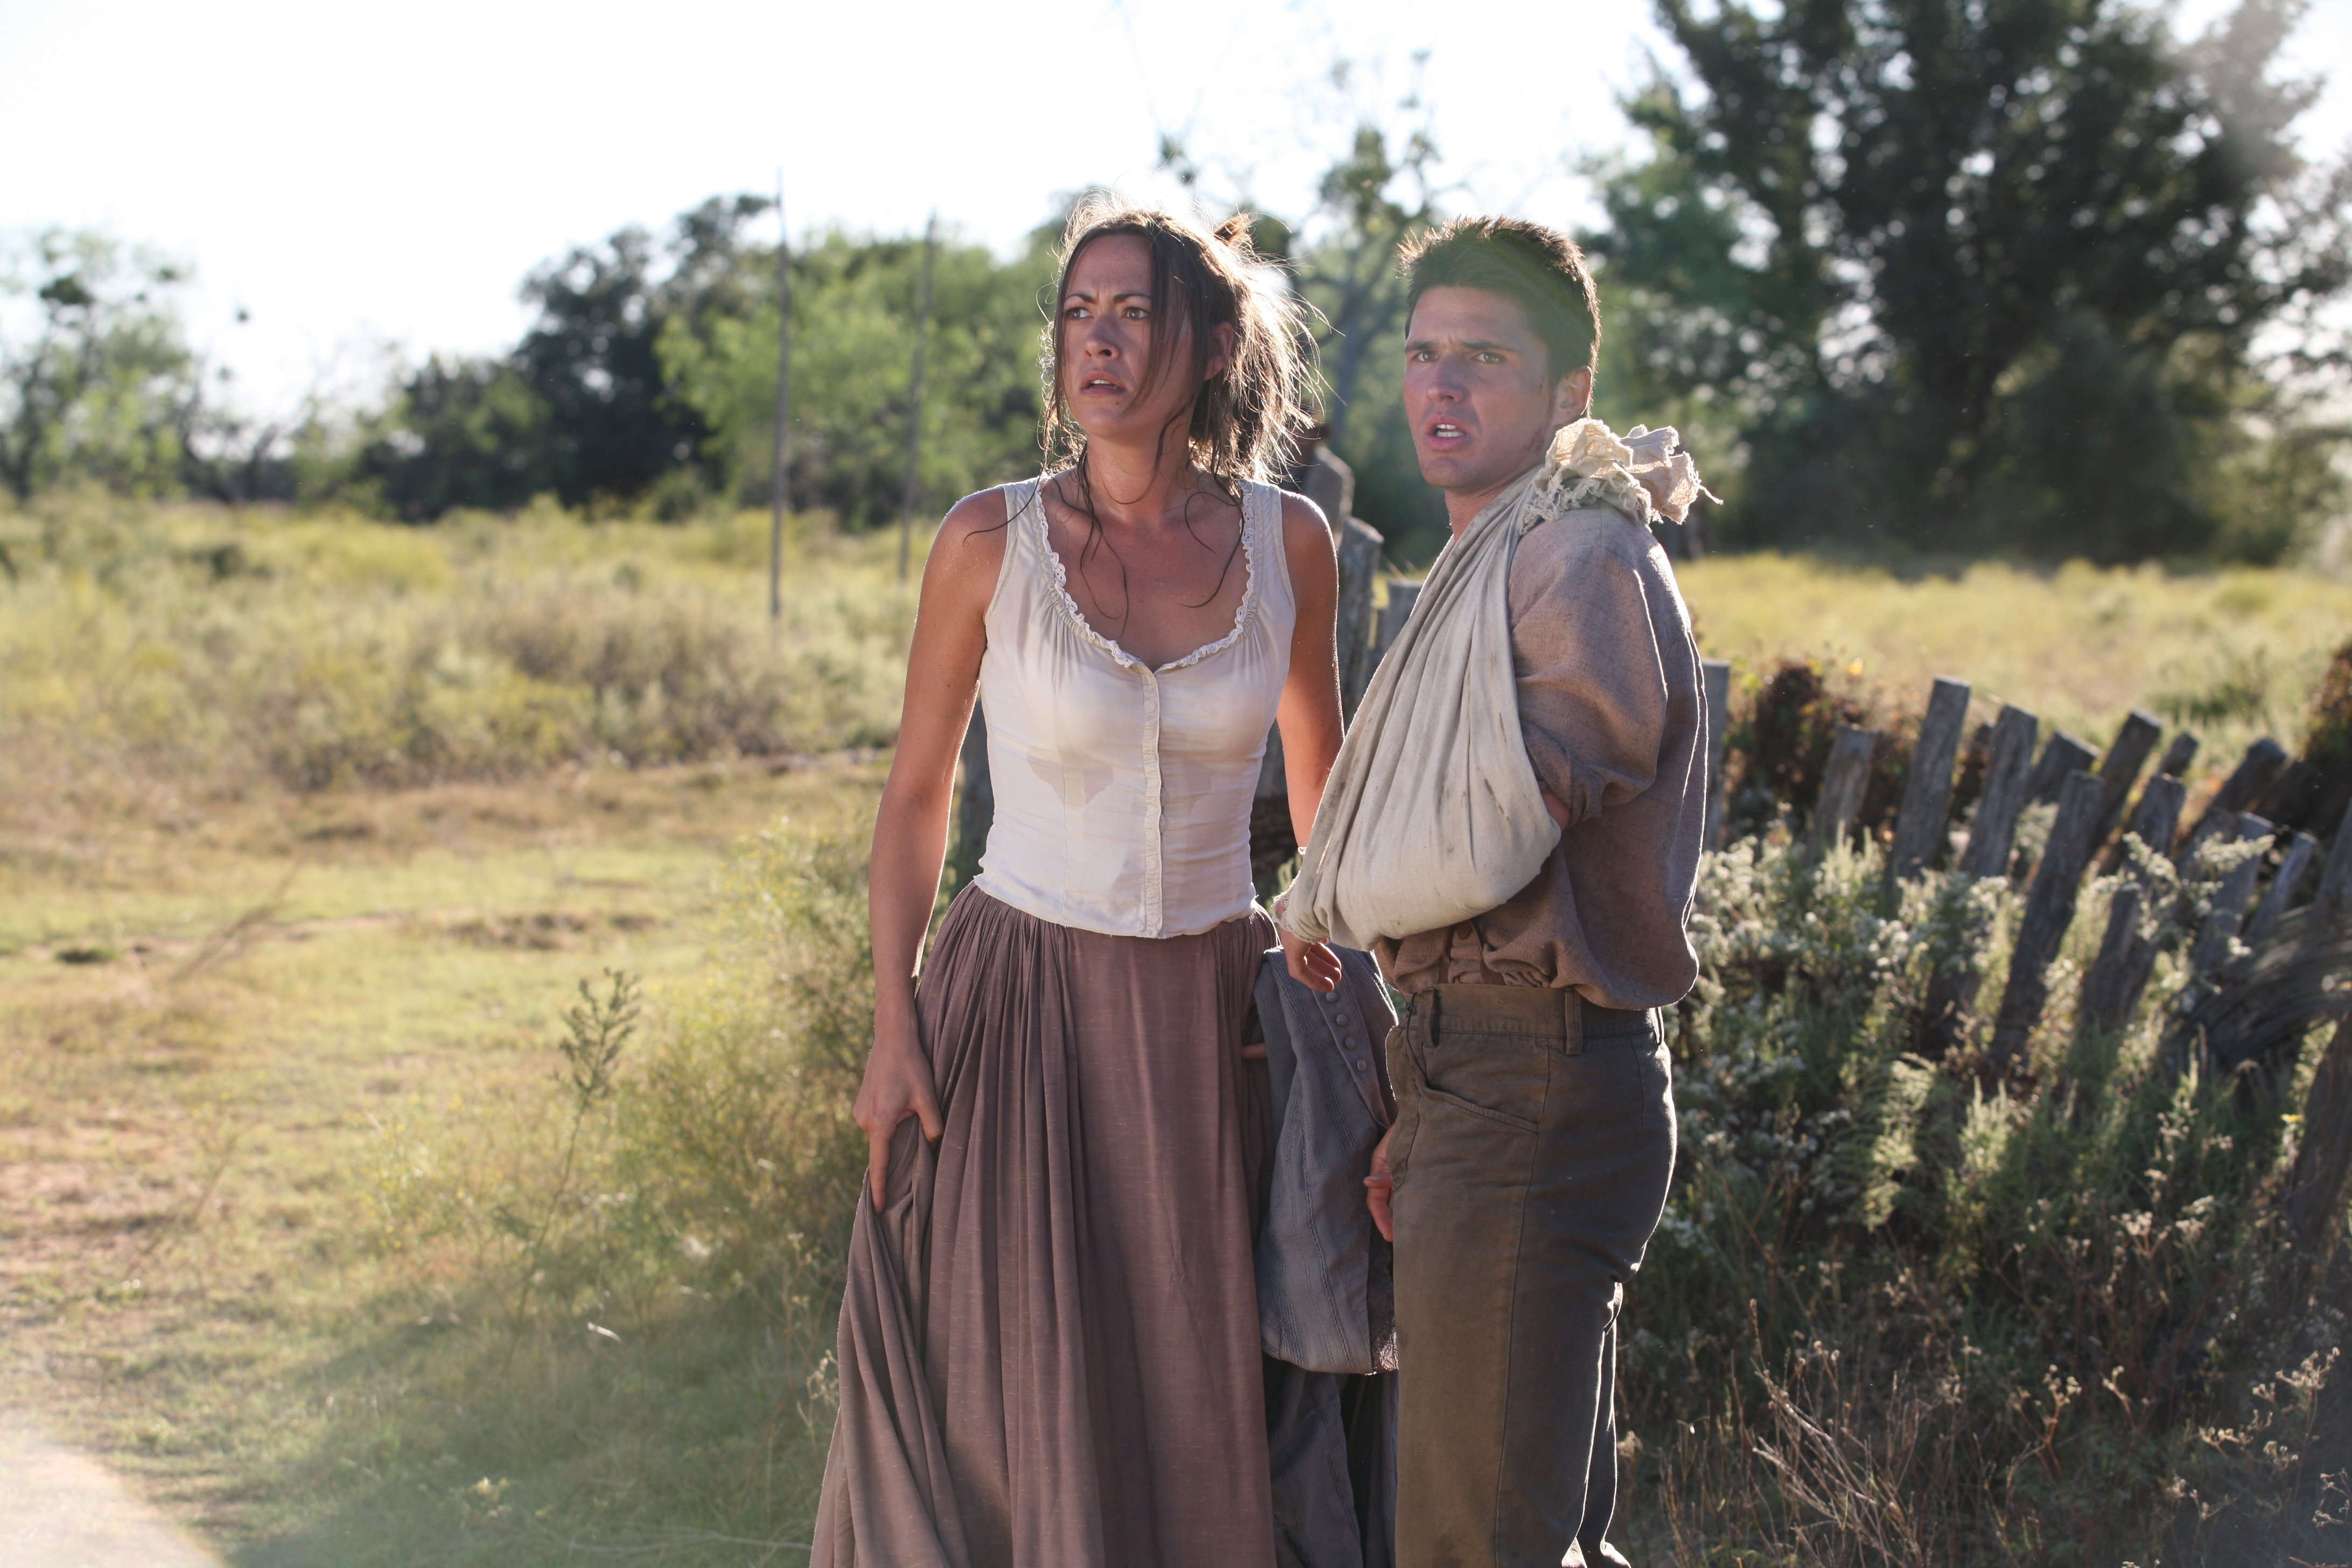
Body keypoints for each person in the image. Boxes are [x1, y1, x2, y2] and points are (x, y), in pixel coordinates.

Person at [811, 199, 1347, 1568]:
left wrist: (1325, 998)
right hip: (1016, 1001)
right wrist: (892, 1026)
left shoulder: (1290, 547)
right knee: (1005, 1391)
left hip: (1211, 1026)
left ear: (1214, 343)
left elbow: (1326, 806)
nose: (1097, 343)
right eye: (1077, 314)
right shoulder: (987, 542)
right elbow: (918, 794)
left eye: (1134, 313)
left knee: (1192, 1389)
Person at [1282, 216, 1706, 1567]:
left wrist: (1325, 895)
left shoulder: (1575, 556)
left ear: (1571, 392)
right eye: (1421, 354)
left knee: (1477, 1545)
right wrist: (1422, 1085)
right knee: (1526, 1534)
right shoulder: (1496, 555)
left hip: (1534, 1084)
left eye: (1486, 357)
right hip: (1486, 1075)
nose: (1441, 386)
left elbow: (1492, 838)